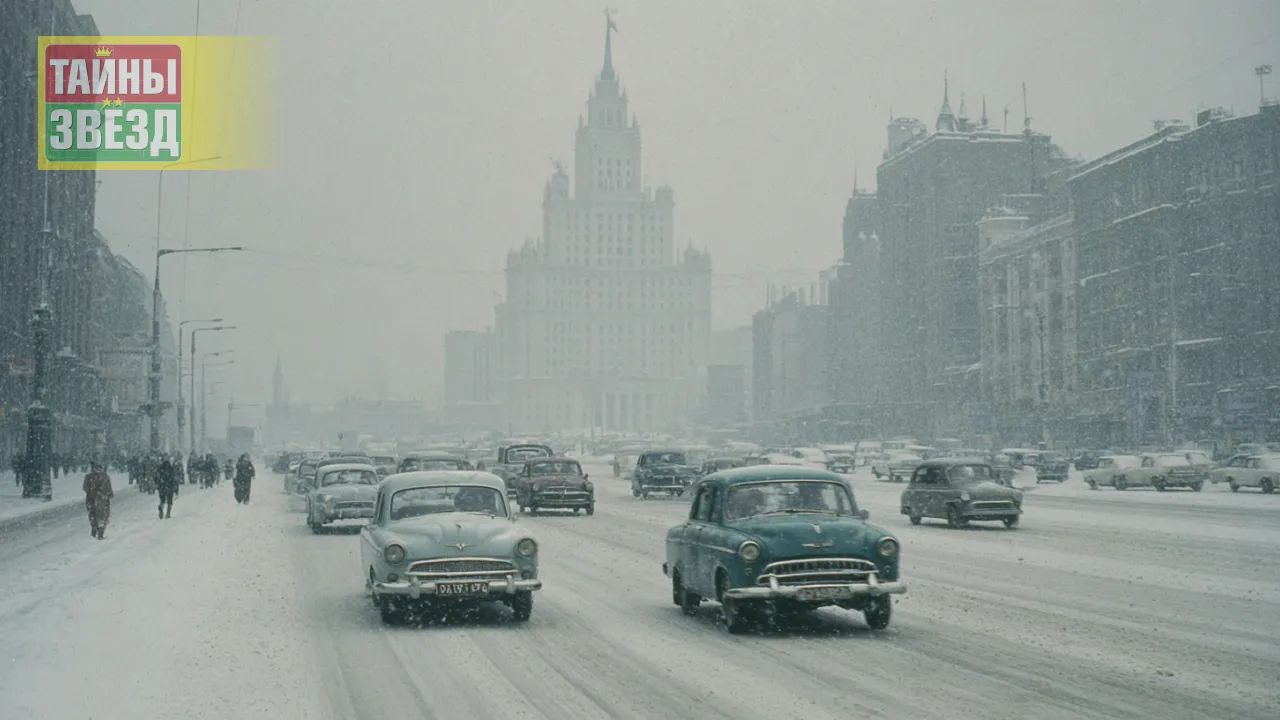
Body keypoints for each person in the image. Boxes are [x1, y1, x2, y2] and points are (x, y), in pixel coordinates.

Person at [83, 462, 113, 540]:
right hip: (103, 499)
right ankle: (100, 533)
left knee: (92, 514)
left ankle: (94, 528)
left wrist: (91, 492)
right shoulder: (105, 476)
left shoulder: (88, 476)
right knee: (103, 516)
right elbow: (109, 488)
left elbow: (85, 488)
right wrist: (108, 494)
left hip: (90, 499)